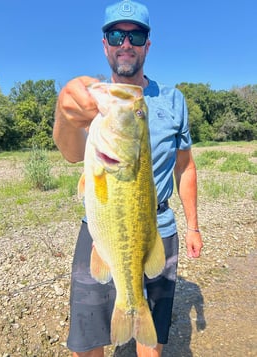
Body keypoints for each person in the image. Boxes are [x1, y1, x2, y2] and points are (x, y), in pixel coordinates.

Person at [53, 1, 203, 356]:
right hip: (101, 229)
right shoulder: (93, 102)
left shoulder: (173, 100)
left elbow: (185, 167)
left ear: (147, 44)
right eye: (116, 34)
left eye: (135, 35)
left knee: (150, 340)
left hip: (159, 229)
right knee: (87, 339)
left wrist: (194, 226)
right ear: (105, 44)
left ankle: (135, 316)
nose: (126, 43)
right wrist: (64, 112)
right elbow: (72, 152)